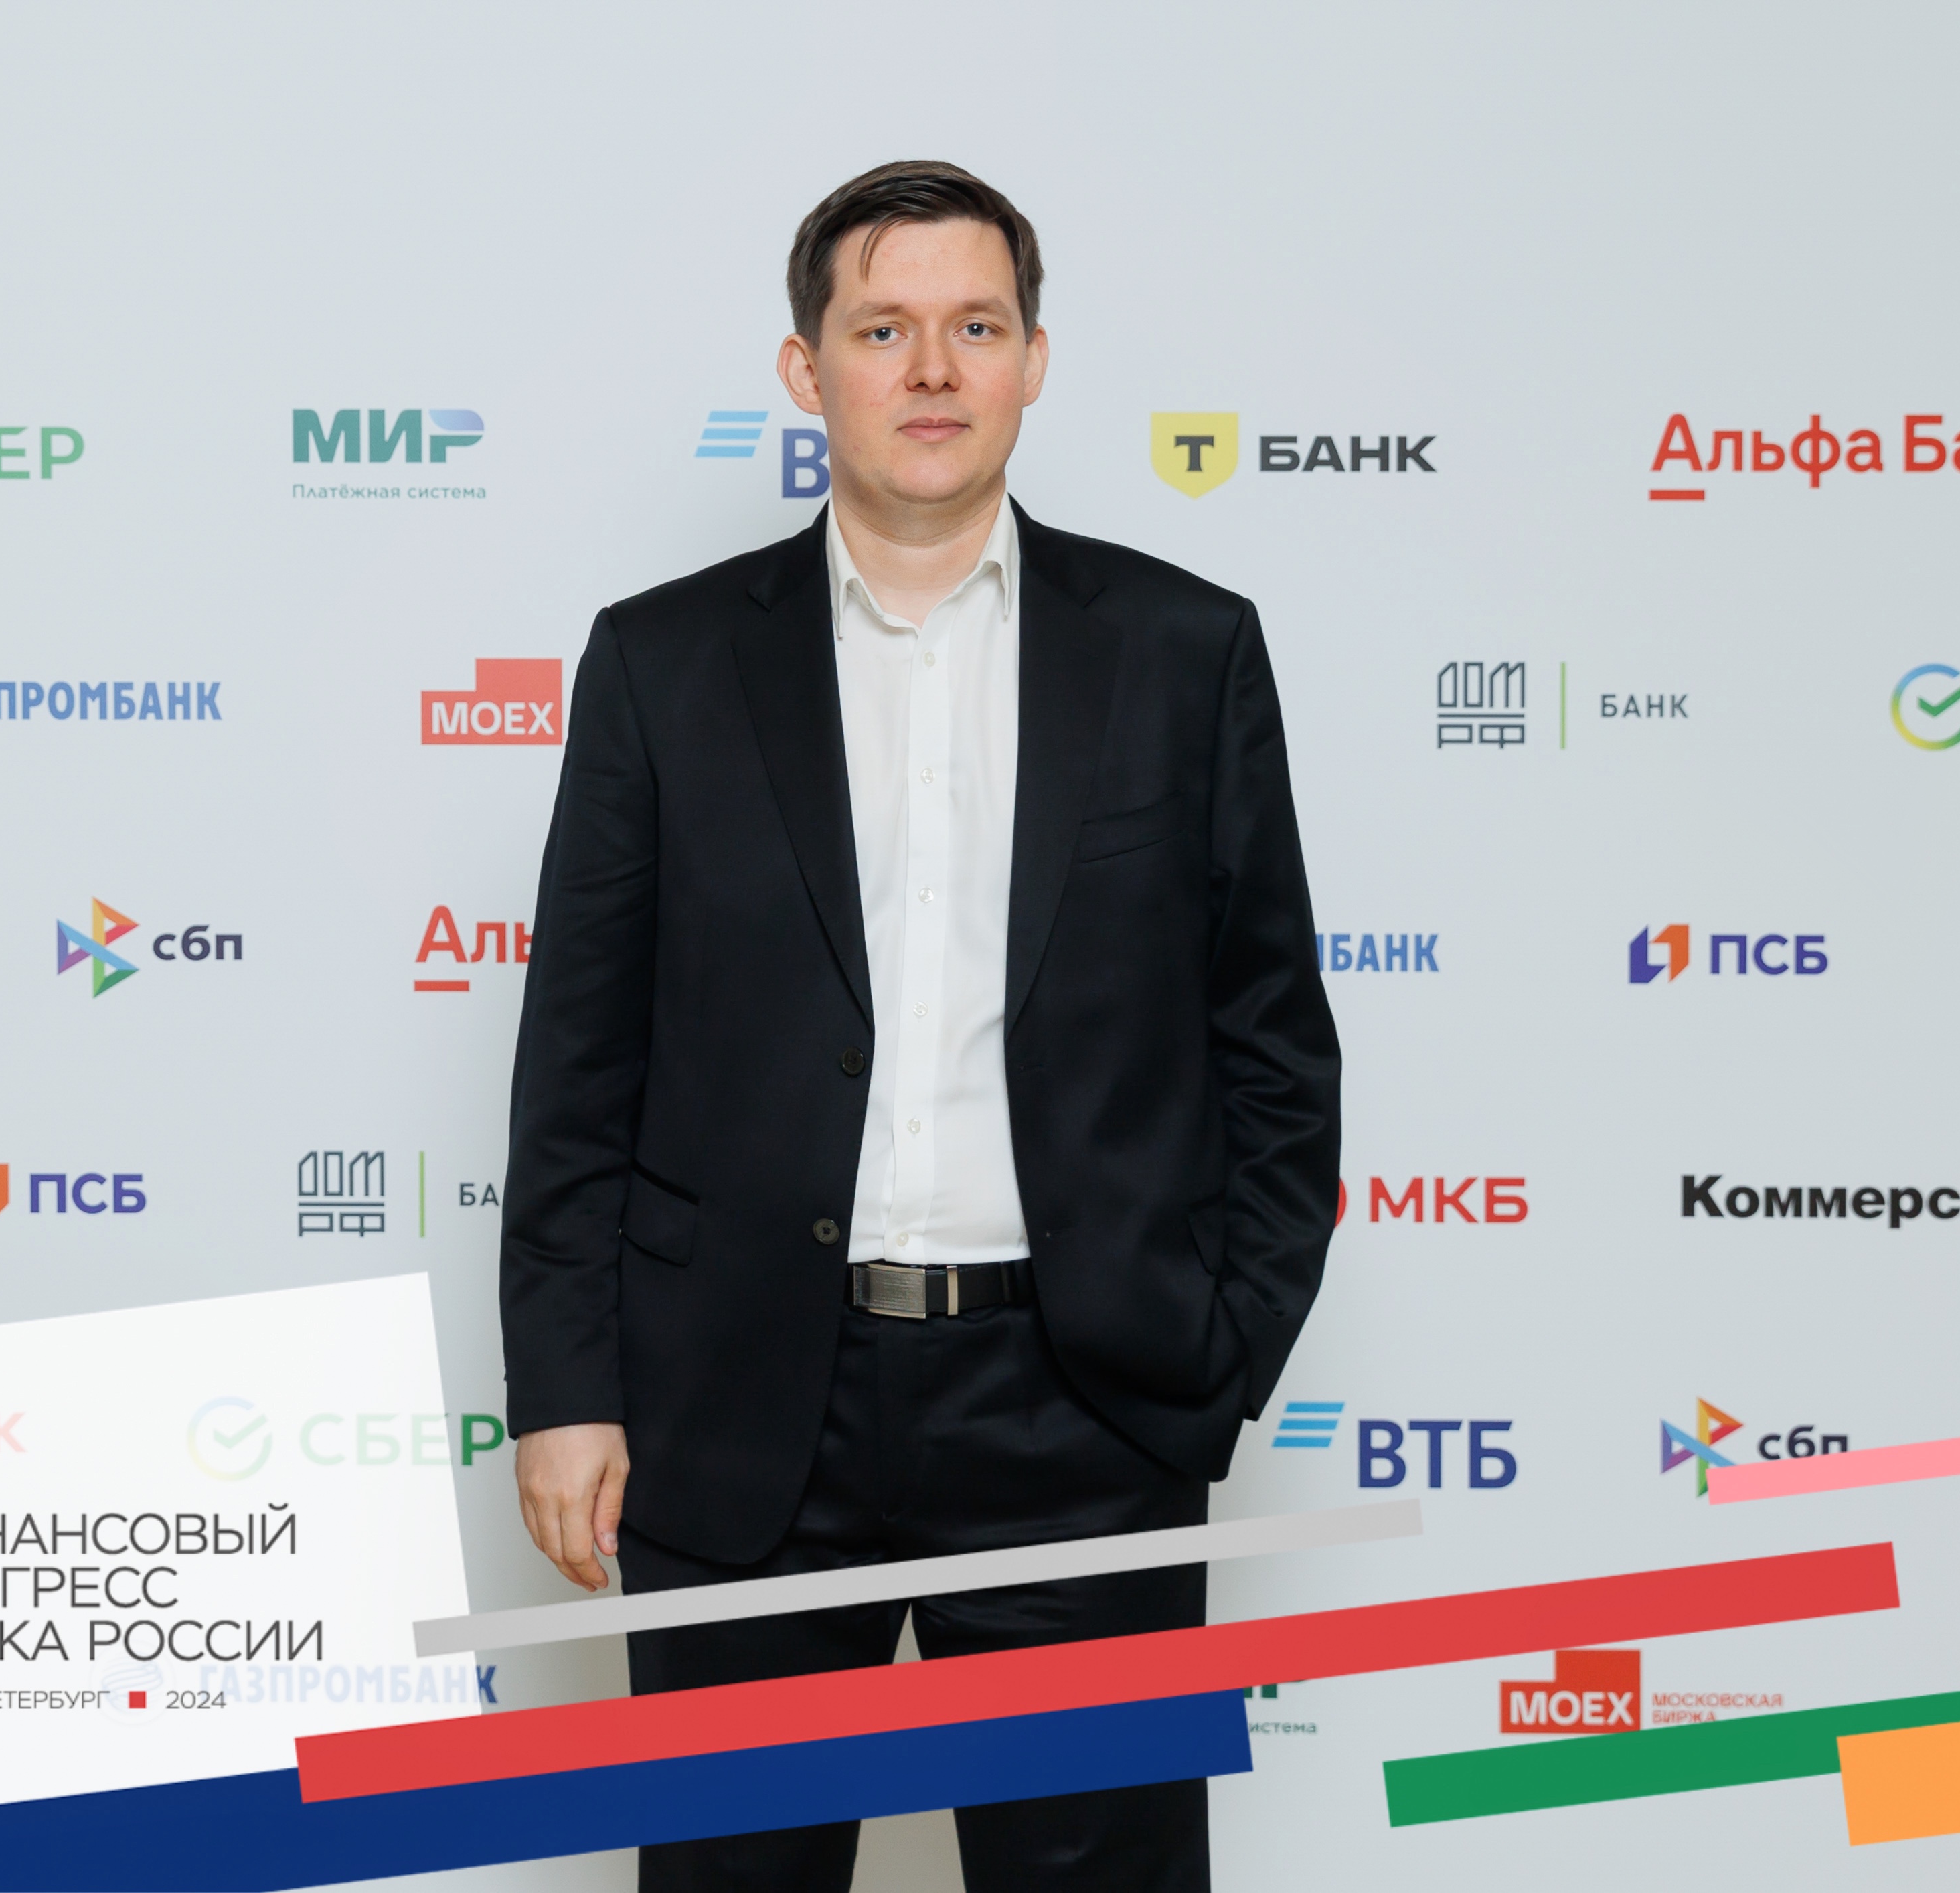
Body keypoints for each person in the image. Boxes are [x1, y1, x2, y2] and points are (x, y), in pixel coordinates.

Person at [500, 159, 1341, 1892]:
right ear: (807, 369)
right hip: (741, 1402)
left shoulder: (1184, 650)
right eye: (884, 329)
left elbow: (1271, 1034)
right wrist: (567, 1391)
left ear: (1034, 359)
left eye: (976, 326)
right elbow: (580, 1059)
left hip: (1082, 1411)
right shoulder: (662, 662)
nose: (934, 369)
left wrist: (1213, 1348)